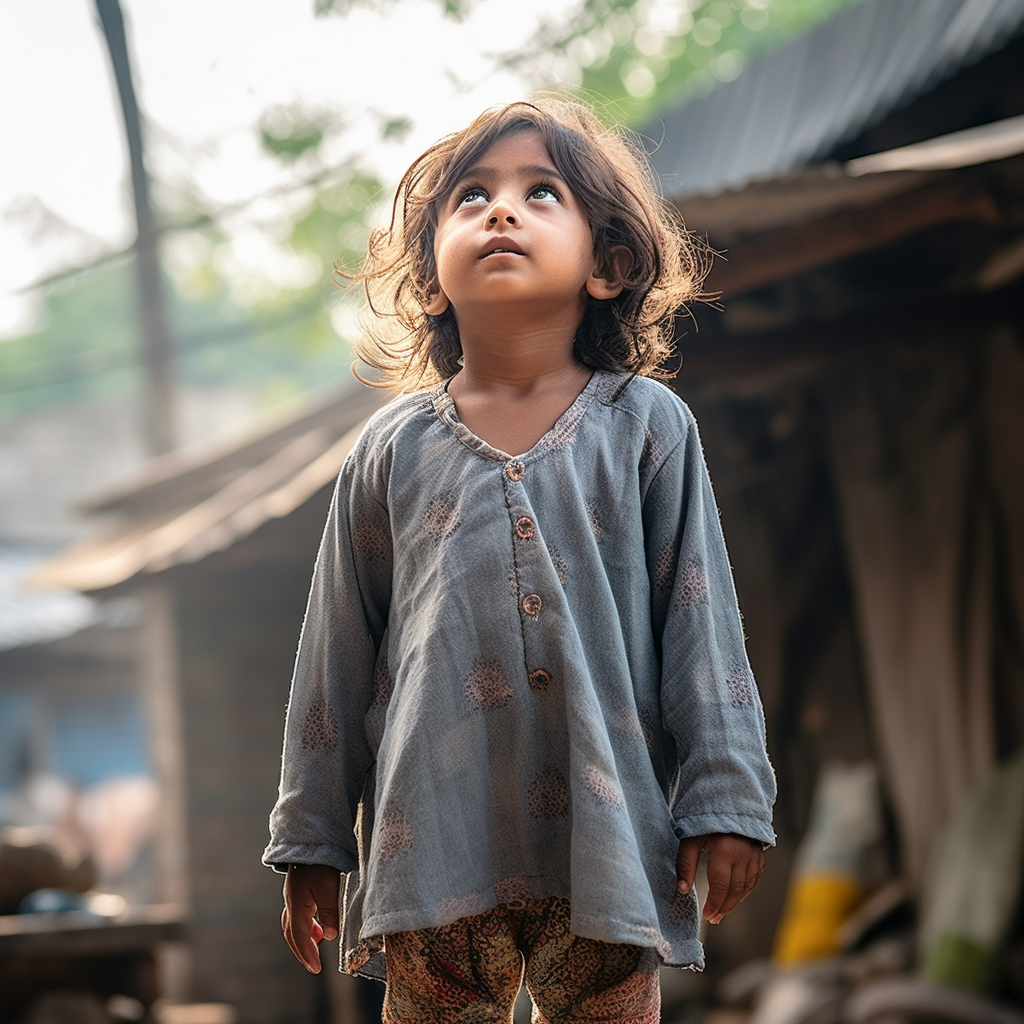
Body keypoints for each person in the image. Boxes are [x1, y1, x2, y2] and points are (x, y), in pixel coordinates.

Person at [264, 96, 776, 1024]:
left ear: (609, 264)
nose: (501, 210)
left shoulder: (647, 429)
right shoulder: (388, 451)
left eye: (542, 193)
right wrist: (311, 840)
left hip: (611, 844)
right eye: (472, 196)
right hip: (431, 846)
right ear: (429, 280)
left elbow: (702, 621)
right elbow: (333, 655)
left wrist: (727, 799)